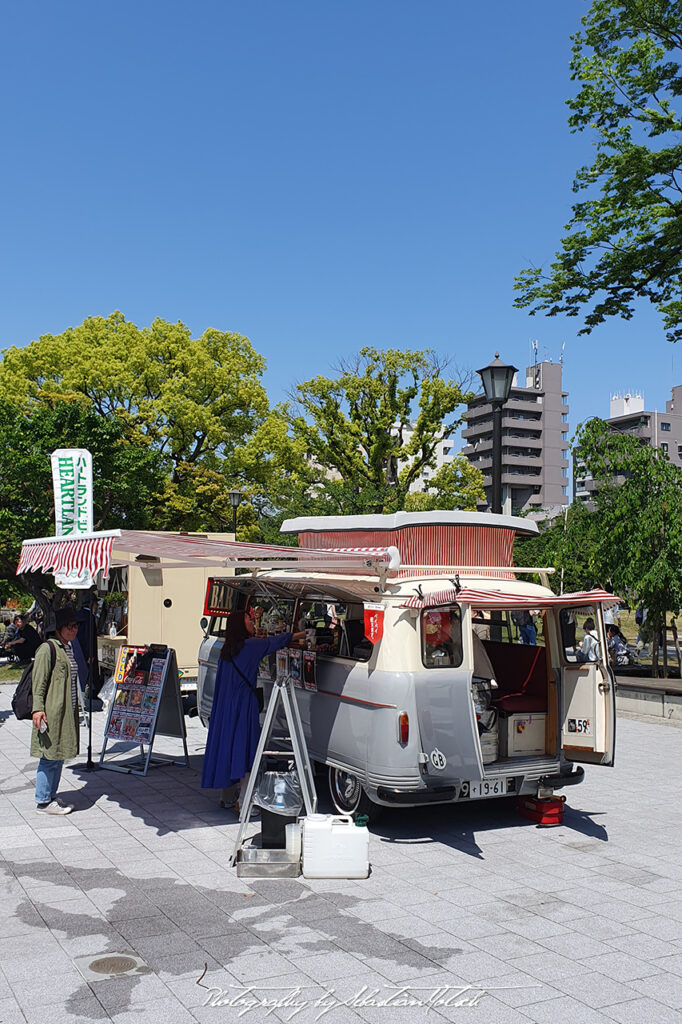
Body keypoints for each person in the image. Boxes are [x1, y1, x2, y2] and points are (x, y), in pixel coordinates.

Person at [201, 608, 305, 812]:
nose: (252, 621)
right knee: (246, 749)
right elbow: (276, 642)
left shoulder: (227, 649)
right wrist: (304, 633)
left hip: (225, 705)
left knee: (228, 746)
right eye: (249, 619)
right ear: (241, 624)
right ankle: (245, 802)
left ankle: (227, 797)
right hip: (243, 705)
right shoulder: (251, 646)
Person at [30, 607, 81, 815]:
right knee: (49, 756)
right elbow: (39, 683)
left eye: (75, 626)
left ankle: (50, 795)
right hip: (51, 711)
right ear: (58, 628)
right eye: (69, 626)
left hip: (66, 711)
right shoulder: (47, 649)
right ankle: (42, 801)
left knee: (58, 755)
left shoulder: (67, 648)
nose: (73, 630)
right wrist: (38, 709)